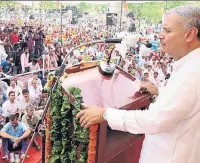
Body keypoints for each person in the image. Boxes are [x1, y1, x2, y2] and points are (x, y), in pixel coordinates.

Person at [76, 5, 200, 163]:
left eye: (167, 31)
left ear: (190, 34)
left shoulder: (191, 74)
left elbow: (154, 120)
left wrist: (105, 114)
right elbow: (185, 101)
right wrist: (158, 91)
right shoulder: (191, 66)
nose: (160, 35)